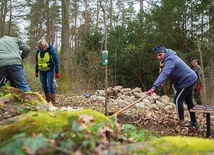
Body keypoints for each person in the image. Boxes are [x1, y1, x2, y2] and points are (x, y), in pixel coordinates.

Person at [146, 45, 199, 128]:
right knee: (188, 101)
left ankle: (181, 123)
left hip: (187, 80)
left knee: (178, 100)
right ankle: (194, 122)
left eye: (160, 55)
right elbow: (163, 71)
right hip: (189, 79)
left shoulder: (170, 59)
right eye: (157, 55)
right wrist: (161, 81)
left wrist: (154, 87)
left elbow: (165, 73)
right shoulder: (165, 59)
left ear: (165, 52)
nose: (159, 57)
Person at [35, 39, 60, 105]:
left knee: (50, 85)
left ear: (46, 45)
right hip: (41, 70)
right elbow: (37, 62)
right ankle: (48, 100)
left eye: (44, 47)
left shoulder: (51, 51)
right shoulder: (38, 52)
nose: (43, 49)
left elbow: (56, 61)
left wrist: (57, 72)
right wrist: (36, 71)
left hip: (49, 70)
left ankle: (53, 101)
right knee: (44, 85)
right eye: (41, 48)